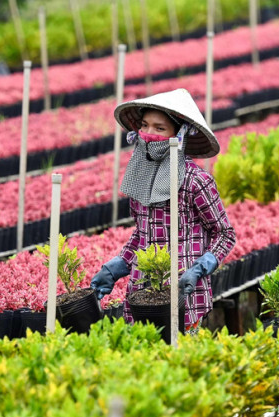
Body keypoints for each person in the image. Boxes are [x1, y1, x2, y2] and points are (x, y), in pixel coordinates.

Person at [90, 88, 236, 332]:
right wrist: (117, 266)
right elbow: (142, 234)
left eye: (159, 128)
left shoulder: (195, 181)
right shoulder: (140, 178)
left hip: (184, 292)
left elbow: (225, 234)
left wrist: (200, 268)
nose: (148, 134)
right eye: (145, 126)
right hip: (143, 290)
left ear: (178, 134)